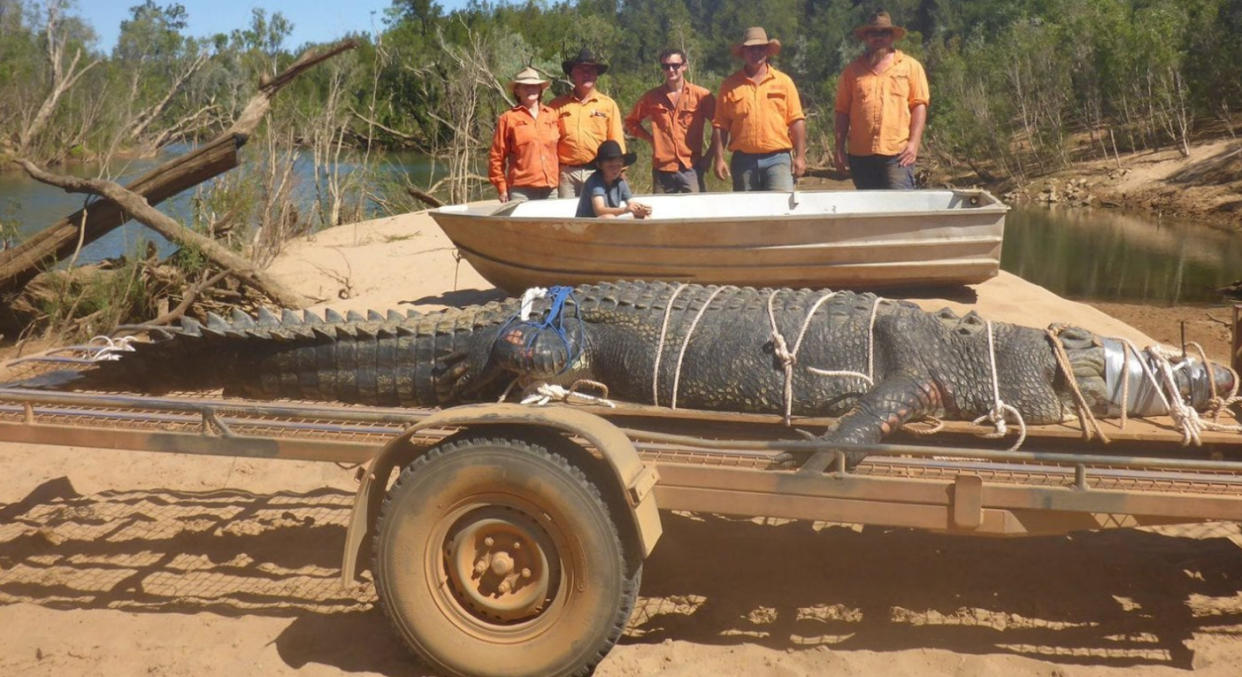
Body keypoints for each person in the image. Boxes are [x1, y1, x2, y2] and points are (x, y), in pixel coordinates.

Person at [833, 10, 929, 190]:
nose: (878, 37)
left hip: (898, 154)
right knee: (870, 211)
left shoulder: (910, 66)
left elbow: (919, 105)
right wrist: (839, 149)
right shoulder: (851, 71)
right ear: (866, 37)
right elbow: (842, 112)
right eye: (873, 33)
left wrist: (914, 144)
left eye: (884, 33)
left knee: (899, 210)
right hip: (861, 155)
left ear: (892, 36)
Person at [711, 26, 806, 192]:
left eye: (760, 48)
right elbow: (720, 126)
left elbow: (796, 121)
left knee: (781, 210)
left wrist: (800, 157)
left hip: (778, 159)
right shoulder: (729, 85)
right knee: (748, 214)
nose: (756, 53)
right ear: (743, 52)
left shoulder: (784, 82)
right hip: (743, 161)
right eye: (751, 49)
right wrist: (718, 159)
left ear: (767, 51)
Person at [624, 48, 716, 193]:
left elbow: (720, 126)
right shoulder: (651, 97)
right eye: (666, 66)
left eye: (675, 65)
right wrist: (650, 139)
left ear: (684, 66)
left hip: (691, 166)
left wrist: (710, 156)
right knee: (663, 213)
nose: (671, 70)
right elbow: (631, 122)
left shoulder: (701, 96)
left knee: (695, 212)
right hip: (662, 168)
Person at [550, 48, 626, 198]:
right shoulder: (556, 105)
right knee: (569, 217)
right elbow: (549, 141)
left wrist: (620, 172)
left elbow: (616, 140)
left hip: (598, 171)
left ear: (596, 75)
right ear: (572, 74)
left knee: (599, 216)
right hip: (567, 173)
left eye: (591, 70)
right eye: (581, 70)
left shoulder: (608, 104)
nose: (586, 74)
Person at [488, 66, 560, 202]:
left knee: (551, 224)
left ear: (540, 90)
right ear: (517, 91)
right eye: (525, 86)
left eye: (534, 86)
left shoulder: (551, 115)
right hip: (521, 191)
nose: (530, 89)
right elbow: (496, 157)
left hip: (550, 189)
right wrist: (501, 187)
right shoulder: (508, 118)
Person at [575, 140, 652, 218]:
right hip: (585, 226)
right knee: (609, 217)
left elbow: (631, 203)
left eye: (618, 166)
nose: (615, 170)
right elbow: (599, 211)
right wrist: (625, 210)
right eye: (610, 166)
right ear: (599, 165)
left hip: (606, 224)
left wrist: (640, 209)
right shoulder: (595, 181)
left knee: (644, 218)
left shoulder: (620, 181)